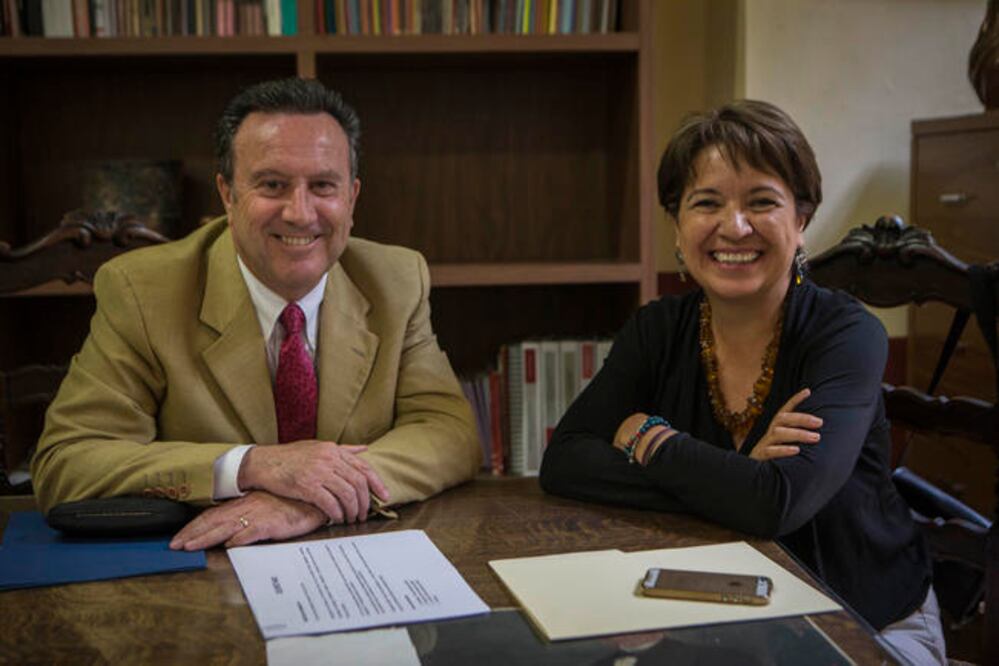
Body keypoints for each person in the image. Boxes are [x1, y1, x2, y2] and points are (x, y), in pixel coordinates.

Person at [539, 100, 946, 665]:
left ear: (801, 222)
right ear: (677, 224)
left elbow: (776, 504)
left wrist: (649, 439)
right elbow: (564, 462)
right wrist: (737, 480)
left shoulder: (847, 335)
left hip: (864, 619)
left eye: (762, 202)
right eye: (707, 203)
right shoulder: (657, 329)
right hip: (714, 617)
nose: (734, 227)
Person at [31, 78, 480, 551]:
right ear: (227, 194)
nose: (299, 213)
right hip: (203, 565)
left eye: (323, 186)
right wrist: (251, 465)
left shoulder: (396, 280)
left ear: (351, 197)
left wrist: (317, 498)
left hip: (354, 555)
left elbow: (450, 433)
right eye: (272, 185)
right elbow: (68, 463)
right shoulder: (142, 290)